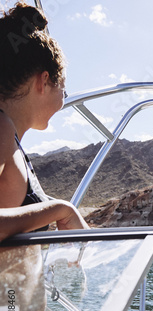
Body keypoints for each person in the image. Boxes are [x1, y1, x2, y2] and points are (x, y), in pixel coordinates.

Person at [0, 1, 88, 231]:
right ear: (43, 81)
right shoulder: (1, 127)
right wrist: (61, 210)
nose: (63, 99)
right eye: (63, 89)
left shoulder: (10, 141)